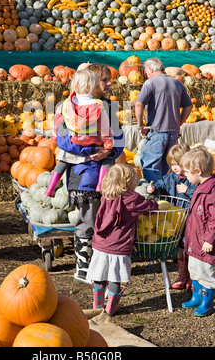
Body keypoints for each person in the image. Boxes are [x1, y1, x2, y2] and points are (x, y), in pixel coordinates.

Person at [55, 63, 124, 284]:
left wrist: (108, 150)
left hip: (106, 173)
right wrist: (92, 149)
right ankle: (82, 268)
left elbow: (120, 141)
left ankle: (101, 263)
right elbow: (62, 139)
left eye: (109, 79)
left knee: (105, 217)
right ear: (90, 83)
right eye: (104, 80)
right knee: (87, 218)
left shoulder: (109, 108)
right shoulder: (66, 107)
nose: (109, 83)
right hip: (81, 172)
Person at [87, 163, 159, 316]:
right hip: (118, 246)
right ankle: (111, 308)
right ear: (127, 182)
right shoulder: (132, 198)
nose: (137, 181)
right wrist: (154, 202)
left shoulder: (107, 194)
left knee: (99, 275)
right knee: (115, 277)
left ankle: (97, 305)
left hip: (100, 243)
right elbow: (149, 208)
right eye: (135, 179)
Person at [46, 69, 114, 197]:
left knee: (63, 160)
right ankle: (100, 185)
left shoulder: (66, 104)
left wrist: (55, 138)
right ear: (93, 86)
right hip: (91, 145)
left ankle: (50, 188)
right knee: (107, 160)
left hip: (72, 142)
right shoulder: (98, 105)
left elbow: (57, 123)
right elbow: (104, 127)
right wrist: (108, 144)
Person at [180, 147, 215, 316]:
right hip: (196, 241)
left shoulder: (213, 192)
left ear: (198, 171)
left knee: (207, 272)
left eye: (187, 172)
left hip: (207, 243)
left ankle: (207, 301)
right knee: (195, 269)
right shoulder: (201, 187)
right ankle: (197, 296)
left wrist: (210, 239)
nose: (185, 176)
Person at [135, 58, 193, 183]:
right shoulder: (177, 83)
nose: (146, 74)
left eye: (146, 71)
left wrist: (140, 126)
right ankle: (168, 199)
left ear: (150, 69)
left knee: (152, 169)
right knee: (170, 168)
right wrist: (179, 122)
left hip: (156, 133)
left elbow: (139, 104)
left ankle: (157, 199)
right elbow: (189, 105)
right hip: (173, 134)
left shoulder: (150, 83)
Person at [147, 142, 196, 290]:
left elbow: (200, 194)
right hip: (175, 221)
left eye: (178, 164)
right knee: (179, 248)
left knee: (190, 248)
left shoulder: (192, 179)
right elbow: (160, 184)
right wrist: (153, 188)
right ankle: (182, 275)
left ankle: (192, 276)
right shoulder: (170, 178)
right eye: (172, 164)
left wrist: (188, 190)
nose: (175, 167)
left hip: (190, 219)